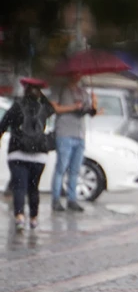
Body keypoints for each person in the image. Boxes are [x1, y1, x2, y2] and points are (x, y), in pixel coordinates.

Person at [0, 78, 56, 230]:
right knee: (33, 187)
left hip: (17, 153)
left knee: (19, 186)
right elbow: (53, 110)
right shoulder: (44, 107)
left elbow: (2, 126)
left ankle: (19, 217)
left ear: (25, 91)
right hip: (39, 155)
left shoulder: (16, 106)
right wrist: (39, 90)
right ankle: (33, 218)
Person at [50, 73, 98, 212]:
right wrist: (73, 107)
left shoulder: (83, 92)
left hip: (80, 134)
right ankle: (56, 199)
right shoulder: (60, 89)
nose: (77, 76)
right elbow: (55, 108)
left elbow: (91, 112)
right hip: (64, 132)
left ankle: (72, 199)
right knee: (61, 167)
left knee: (75, 169)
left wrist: (94, 103)